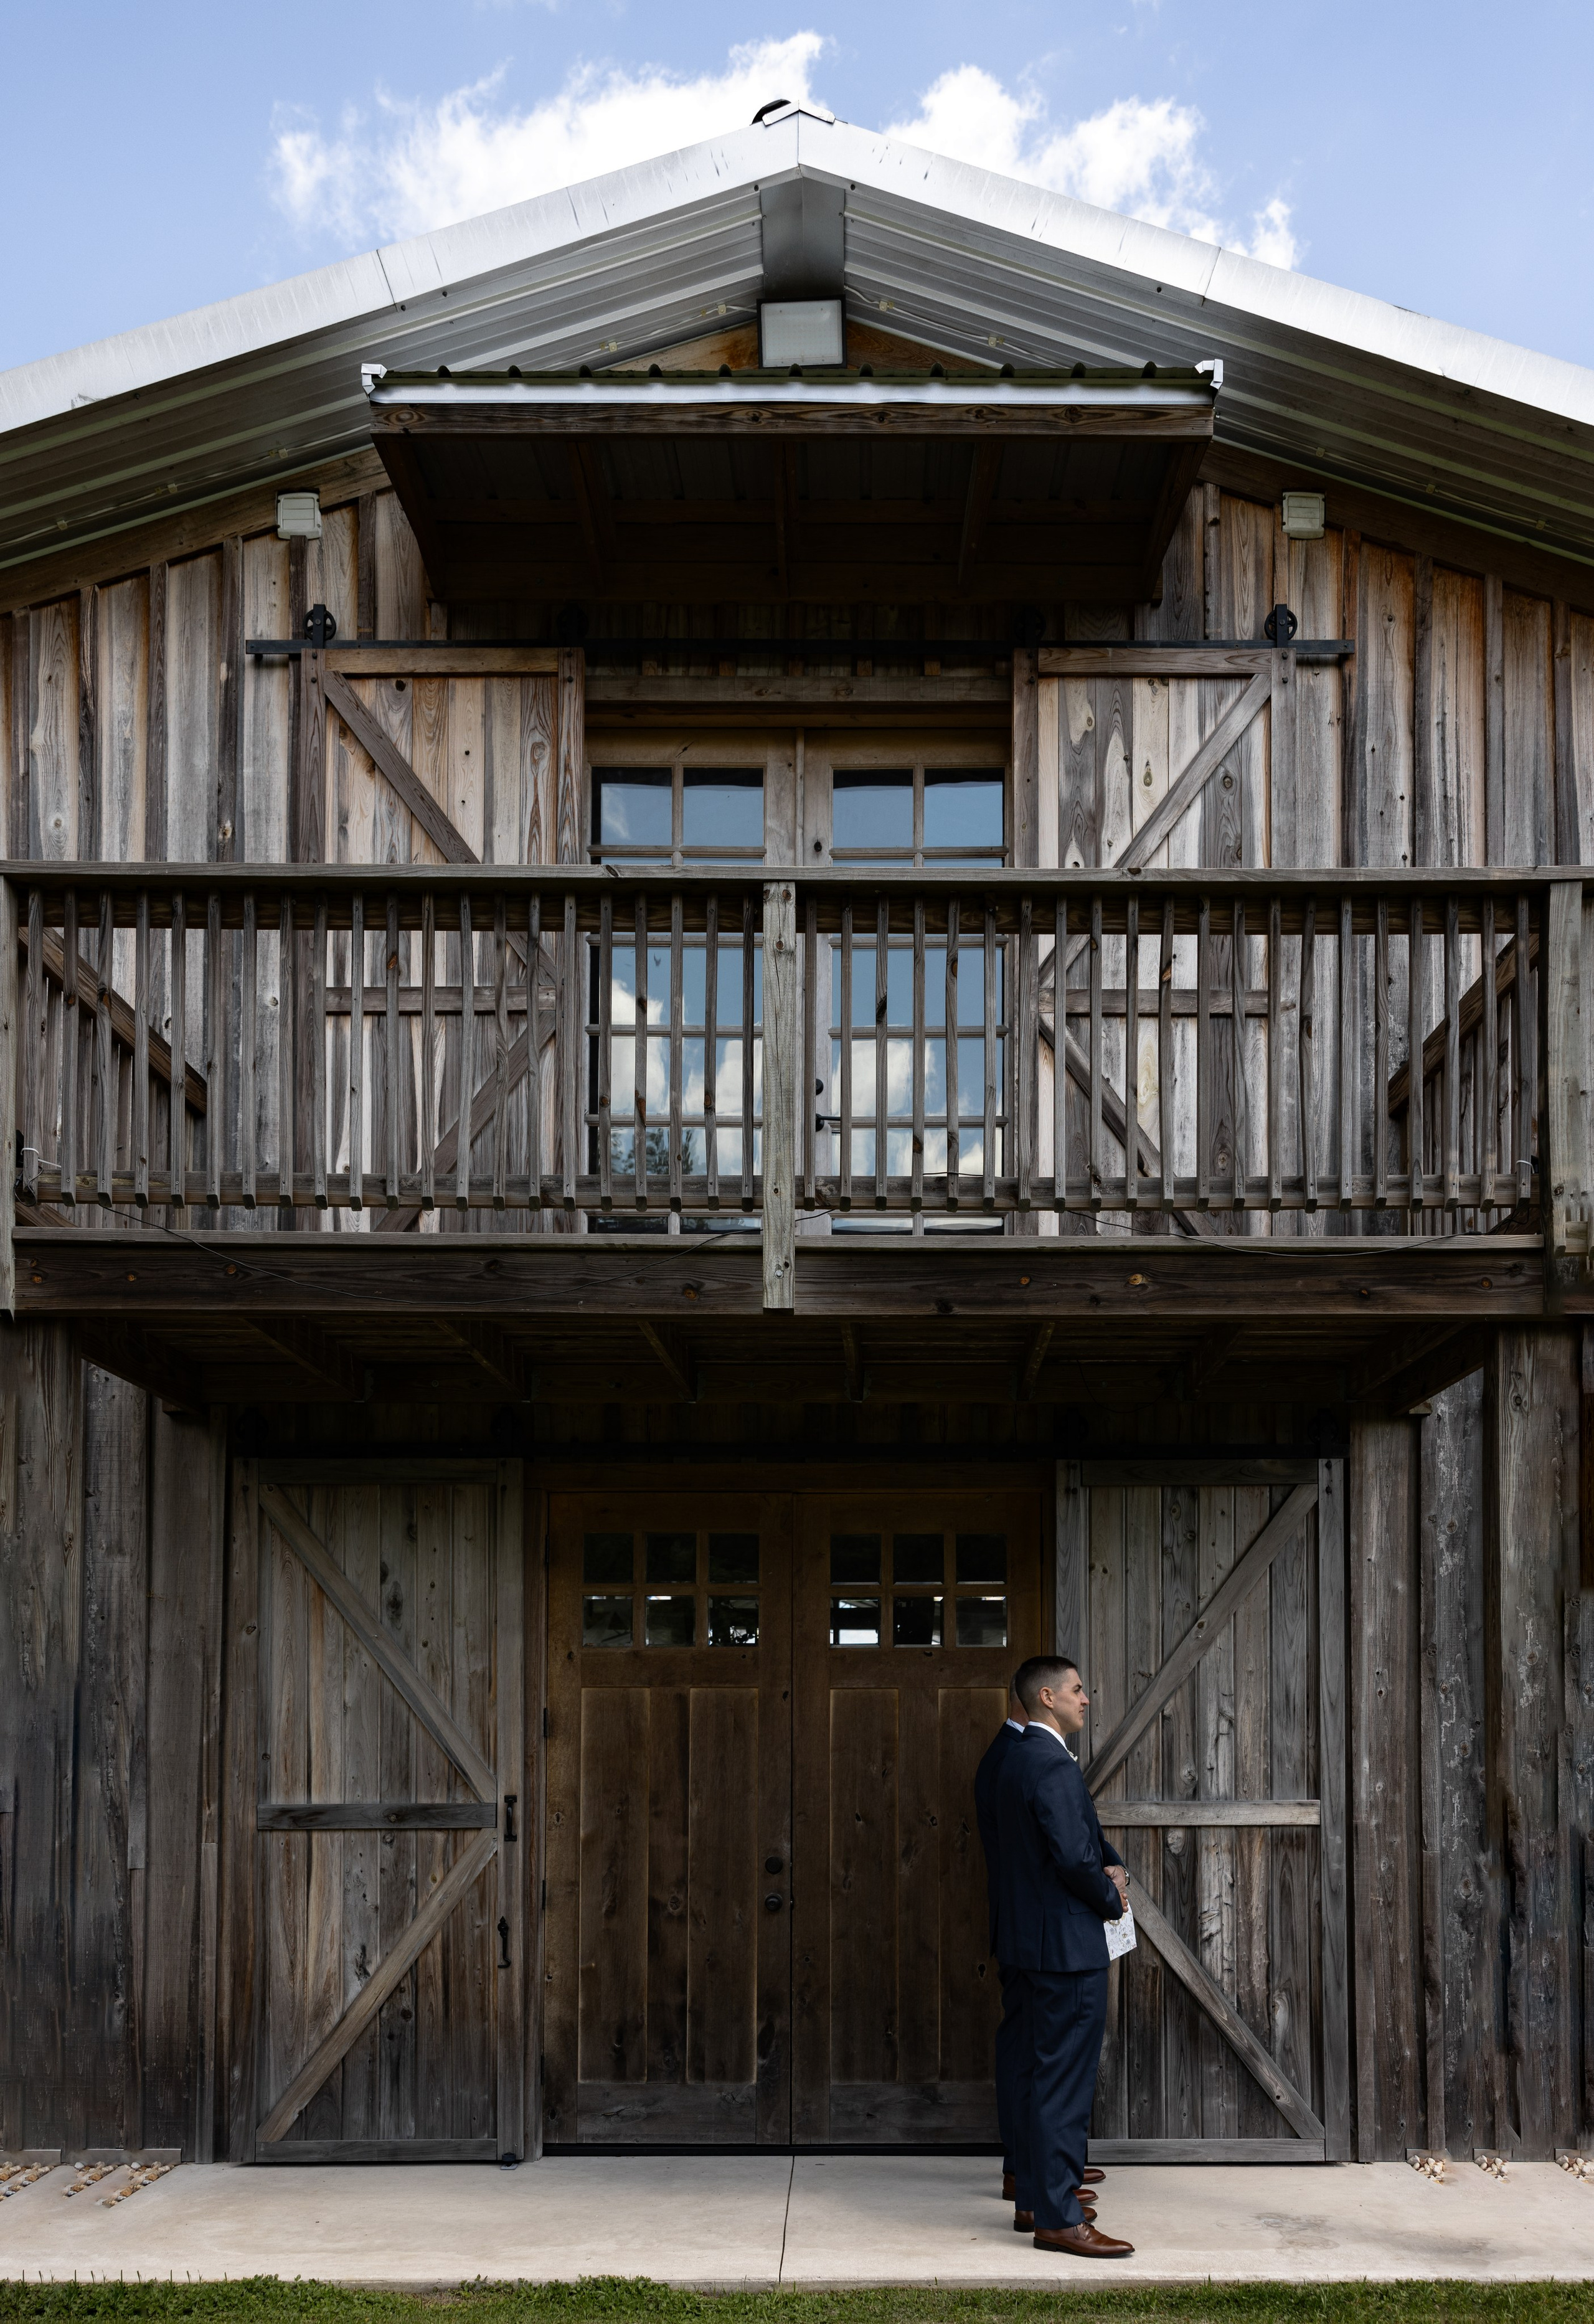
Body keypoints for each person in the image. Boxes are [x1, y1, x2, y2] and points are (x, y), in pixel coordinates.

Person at [995, 1653, 1134, 2258]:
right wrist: (1112, 1896)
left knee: (1033, 2070)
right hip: (1064, 1947)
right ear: (1046, 1697)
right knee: (1062, 2083)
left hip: (1028, 1942)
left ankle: (1036, 2192)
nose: (1085, 1698)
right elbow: (1074, 1860)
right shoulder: (1048, 1765)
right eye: (1077, 1689)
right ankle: (1057, 2216)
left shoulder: (1012, 1760)